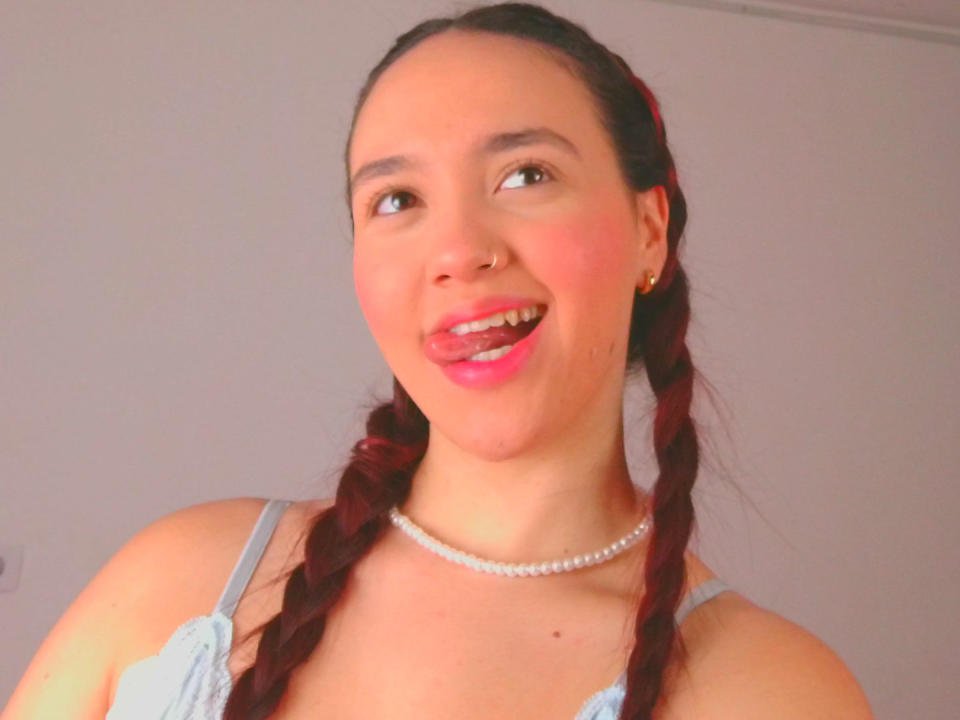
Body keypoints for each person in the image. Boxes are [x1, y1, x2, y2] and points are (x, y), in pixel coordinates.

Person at [5, 3, 874, 718]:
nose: (457, 250)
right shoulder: (181, 585)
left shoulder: (769, 691)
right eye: (397, 199)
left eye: (526, 175)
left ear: (650, 230)